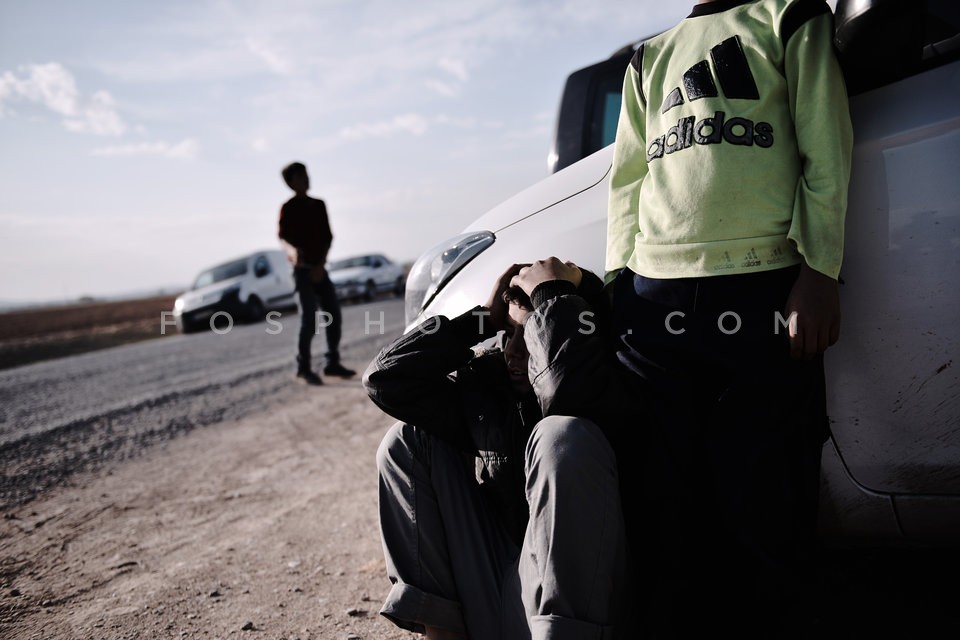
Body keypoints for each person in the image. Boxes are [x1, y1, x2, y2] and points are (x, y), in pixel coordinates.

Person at [605, 0, 853, 637]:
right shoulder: (648, 56)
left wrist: (819, 272)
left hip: (762, 292)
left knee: (766, 499)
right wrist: (615, 288)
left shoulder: (790, 16)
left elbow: (826, 149)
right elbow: (628, 180)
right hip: (652, 302)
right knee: (668, 503)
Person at [363, 257, 637, 640]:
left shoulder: (608, 382)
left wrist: (555, 298)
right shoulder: (490, 388)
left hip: (570, 609)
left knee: (562, 437)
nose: (511, 351)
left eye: (528, 336)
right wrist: (481, 322)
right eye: (506, 333)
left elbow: (569, 405)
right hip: (498, 582)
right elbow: (384, 379)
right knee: (405, 441)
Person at [277, 161, 356, 385]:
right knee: (308, 319)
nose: (306, 180)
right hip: (301, 272)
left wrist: (321, 264)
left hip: (320, 267)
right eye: (301, 177)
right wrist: (293, 252)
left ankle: (332, 363)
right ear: (290, 182)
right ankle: (303, 368)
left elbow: (327, 237)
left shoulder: (318, 205)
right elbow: (283, 238)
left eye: (307, 175)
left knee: (333, 313)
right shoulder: (288, 208)